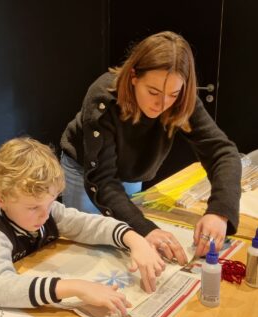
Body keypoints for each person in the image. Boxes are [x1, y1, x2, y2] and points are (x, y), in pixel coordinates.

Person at [60, 31, 241, 263]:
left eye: (173, 94)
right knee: (89, 248)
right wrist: (146, 228)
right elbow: (102, 182)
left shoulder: (182, 101)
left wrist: (219, 211)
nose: (163, 104)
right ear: (134, 76)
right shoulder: (104, 97)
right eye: (153, 92)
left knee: (130, 243)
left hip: (131, 168)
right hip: (86, 169)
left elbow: (222, 152)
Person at [0, 137, 165, 316]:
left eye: (50, 202)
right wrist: (77, 287)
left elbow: (89, 225)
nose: (45, 214)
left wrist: (134, 240)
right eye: (33, 207)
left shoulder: (49, 211)